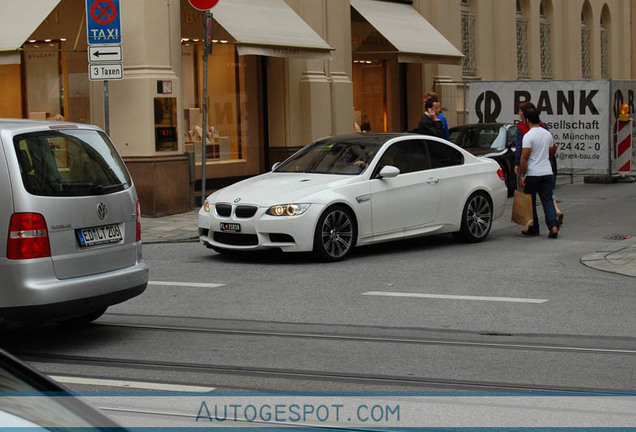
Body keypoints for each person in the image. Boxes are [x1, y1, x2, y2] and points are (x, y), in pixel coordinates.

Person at [514, 102, 564, 224]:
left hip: (532, 172)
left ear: (527, 119)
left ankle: (533, 227)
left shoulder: (525, 132)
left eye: (521, 112)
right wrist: (548, 160)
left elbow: (523, 155)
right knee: (547, 199)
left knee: (530, 200)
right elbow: (552, 149)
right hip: (546, 171)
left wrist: (521, 173)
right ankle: (553, 226)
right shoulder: (546, 131)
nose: (520, 114)